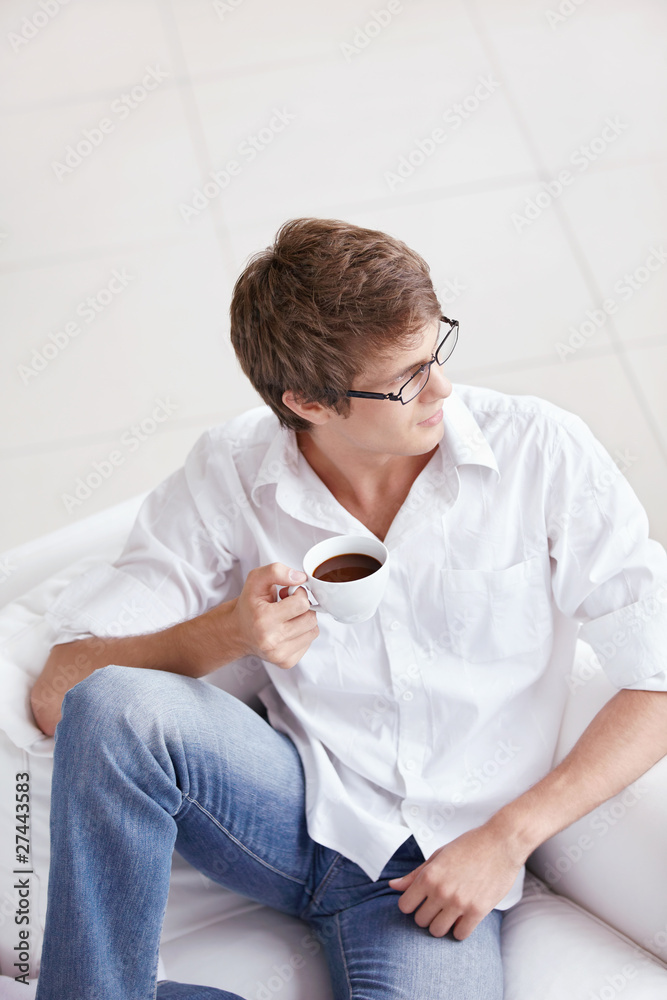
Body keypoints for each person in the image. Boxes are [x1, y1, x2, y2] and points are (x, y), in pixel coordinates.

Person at [31, 218, 667, 1000]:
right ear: (307, 401)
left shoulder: (540, 453)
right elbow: (65, 691)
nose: (441, 391)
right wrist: (228, 632)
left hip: (434, 871)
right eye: (405, 378)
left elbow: (657, 680)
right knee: (121, 705)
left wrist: (508, 838)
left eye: (439, 353)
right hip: (286, 809)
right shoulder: (230, 470)